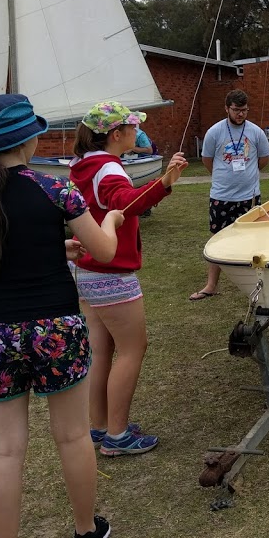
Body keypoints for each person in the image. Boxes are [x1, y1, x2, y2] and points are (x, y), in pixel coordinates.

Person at [0, 93, 124, 538]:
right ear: (31, 137)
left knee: (3, 452)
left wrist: (51, 250)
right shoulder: (54, 188)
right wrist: (112, 222)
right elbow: (103, 252)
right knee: (71, 437)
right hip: (56, 330)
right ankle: (86, 532)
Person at [69, 101, 188, 457]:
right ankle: (117, 436)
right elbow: (125, 203)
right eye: (134, 128)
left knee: (102, 349)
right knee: (133, 349)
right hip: (110, 273)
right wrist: (165, 182)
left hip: (85, 269)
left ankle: (100, 426)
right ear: (117, 135)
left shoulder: (82, 164)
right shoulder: (108, 169)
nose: (138, 132)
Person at [190, 89, 269, 300]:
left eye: (244, 110)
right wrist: (223, 177)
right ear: (227, 108)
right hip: (222, 196)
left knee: (253, 240)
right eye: (236, 110)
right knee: (217, 240)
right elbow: (207, 160)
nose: (240, 114)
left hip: (250, 197)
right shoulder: (215, 132)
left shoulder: (255, 132)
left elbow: (264, 158)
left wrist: (248, 175)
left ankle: (257, 285)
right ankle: (211, 285)